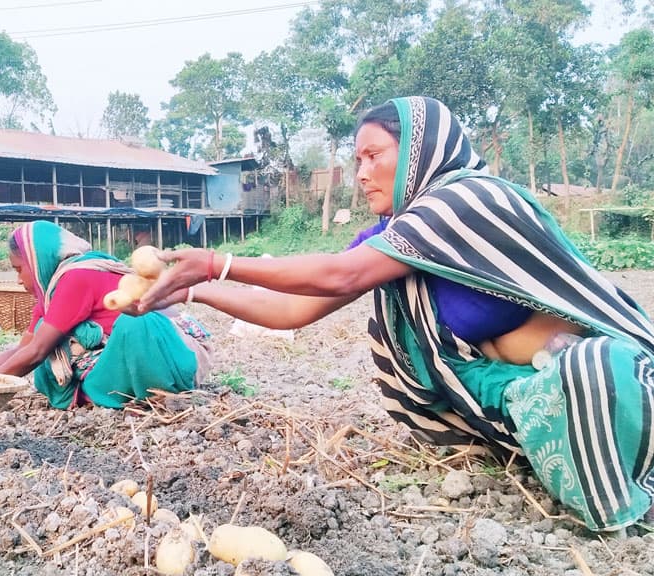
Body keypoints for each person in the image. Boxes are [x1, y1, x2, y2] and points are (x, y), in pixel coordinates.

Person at [139, 96, 654, 533]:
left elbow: (338, 275)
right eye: (356, 159)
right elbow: (292, 310)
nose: (361, 173)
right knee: (554, 394)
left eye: (373, 155)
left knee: (593, 374)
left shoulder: (465, 199)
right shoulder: (392, 241)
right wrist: (195, 290)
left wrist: (217, 262)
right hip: (515, 388)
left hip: (607, 369)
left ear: (417, 153)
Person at [0, 220, 212, 409]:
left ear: (37, 262)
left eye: (19, 269)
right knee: (43, 333)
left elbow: (36, 353)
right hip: (145, 354)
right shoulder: (52, 289)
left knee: (131, 324)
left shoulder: (75, 277)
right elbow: (22, 348)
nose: (18, 280)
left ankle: (153, 390)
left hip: (173, 354)